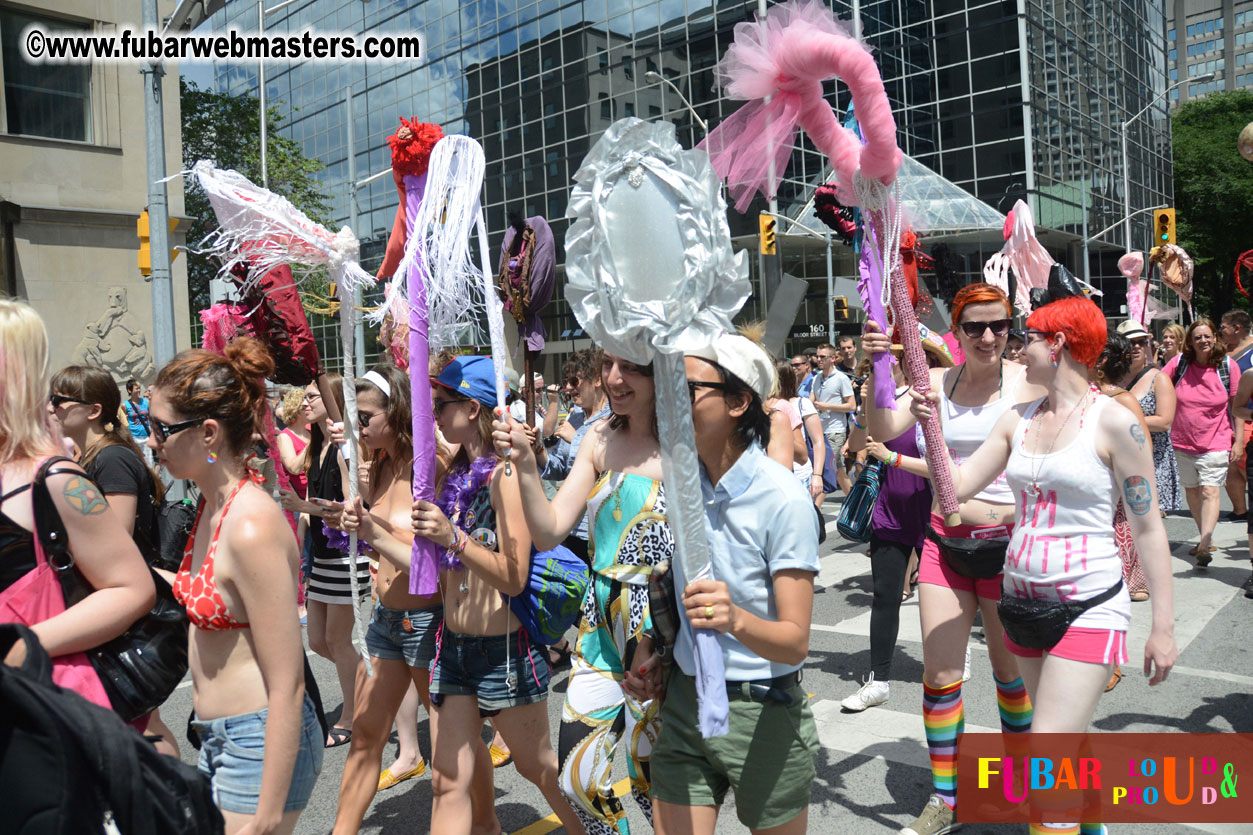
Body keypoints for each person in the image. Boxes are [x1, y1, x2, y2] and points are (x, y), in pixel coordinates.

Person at [917, 296, 1177, 835]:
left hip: (1090, 606)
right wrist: (930, 429)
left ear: (1057, 345)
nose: (1018, 346)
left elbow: (1150, 527)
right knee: (1065, 742)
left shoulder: (1115, 423)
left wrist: (1164, 628)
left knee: (1048, 762)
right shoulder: (1018, 419)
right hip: (1022, 607)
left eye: (1029, 337)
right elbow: (955, 490)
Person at [862, 283, 1037, 835]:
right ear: (956, 332)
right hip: (944, 540)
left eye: (999, 325)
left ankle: (1022, 781)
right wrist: (878, 369)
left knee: (1011, 675)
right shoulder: (934, 382)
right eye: (974, 327)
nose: (988, 336)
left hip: (1010, 546)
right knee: (939, 675)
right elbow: (881, 429)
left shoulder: (1029, 385)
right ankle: (945, 799)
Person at [648, 333, 820, 835]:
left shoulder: (783, 499)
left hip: (762, 711)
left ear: (739, 401)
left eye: (686, 387)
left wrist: (736, 619)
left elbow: (795, 641)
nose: (669, 400)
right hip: (685, 702)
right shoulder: (682, 485)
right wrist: (651, 648)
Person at [149, 337, 320, 833]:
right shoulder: (211, 506)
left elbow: (288, 684)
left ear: (206, 433)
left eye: (161, 428)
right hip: (222, 738)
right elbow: (203, 591)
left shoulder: (250, 525)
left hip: (258, 739)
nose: (151, 439)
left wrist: (267, 814)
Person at [411, 355, 585, 835]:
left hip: (503, 653)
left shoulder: (506, 477)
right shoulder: (452, 477)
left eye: (442, 404)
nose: (435, 414)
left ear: (471, 408)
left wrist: (453, 538)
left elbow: (512, 577)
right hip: (453, 649)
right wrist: (370, 529)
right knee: (447, 783)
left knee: (541, 771)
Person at [497, 349, 668, 835]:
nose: (614, 378)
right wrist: (527, 465)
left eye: (631, 366)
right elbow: (550, 530)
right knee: (578, 779)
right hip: (600, 622)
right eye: (608, 364)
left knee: (651, 780)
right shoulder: (598, 435)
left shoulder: (688, 440)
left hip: (661, 622)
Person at [325, 366, 474, 833]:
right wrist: (348, 523)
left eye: (365, 416)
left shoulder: (434, 469)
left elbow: (437, 560)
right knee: (367, 733)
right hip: (387, 620)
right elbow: (383, 541)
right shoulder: (383, 464)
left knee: (451, 745)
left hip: (429, 622)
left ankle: (484, 820)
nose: (357, 427)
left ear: (398, 412)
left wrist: (371, 530)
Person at [0, 300, 155, 708]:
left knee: (153, 734)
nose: (54, 406)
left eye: (62, 400)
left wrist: (25, 645)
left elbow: (130, 584)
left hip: (36, 706)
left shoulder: (63, 476)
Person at [47, 364, 180, 753]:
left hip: (126, 598)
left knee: (144, 716)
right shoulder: (91, 457)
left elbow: (116, 536)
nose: (51, 407)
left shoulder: (112, 459)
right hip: (114, 594)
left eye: (59, 400)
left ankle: (170, 793)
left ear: (93, 410)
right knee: (136, 714)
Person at [277, 376, 366, 751]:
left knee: (336, 640)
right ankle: (369, 683)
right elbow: (290, 462)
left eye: (312, 396)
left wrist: (303, 507)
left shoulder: (346, 449)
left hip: (347, 556)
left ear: (333, 401)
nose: (304, 402)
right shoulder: (317, 446)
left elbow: (351, 507)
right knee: (317, 640)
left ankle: (352, 715)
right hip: (323, 556)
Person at [1162, 318, 1242, 566]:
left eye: (1207, 336)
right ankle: (1203, 537)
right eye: (1198, 337)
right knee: (1193, 491)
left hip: (1216, 440)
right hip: (1182, 440)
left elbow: (1236, 408)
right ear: (1190, 342)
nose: (1203, 341)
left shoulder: (1228, 366)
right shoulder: (1179, 364)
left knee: (1209, 490)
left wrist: (1238, 441)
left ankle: (1205, 544)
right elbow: (1158, 384)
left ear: (1215, 338)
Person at [1116, 321, 1181, 514]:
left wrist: (1122, 422)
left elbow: (1164, 421)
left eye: (1141, 342)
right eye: (1130, 342)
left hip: (1152, 457)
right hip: (1119, 454)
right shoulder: (1112, 378)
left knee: (1147, 517)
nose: (1136, 346)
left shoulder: (1159, 378)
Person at [770, 358, 826, 504]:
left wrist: (817, 475)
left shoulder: (801, 404)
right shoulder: (763, 405)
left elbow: (818, 442)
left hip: (801, 476)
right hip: (774, 477)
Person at [809, 342, 856, 496]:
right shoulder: (816, 378)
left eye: (823, 356)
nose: (819, 359)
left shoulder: (841, 378)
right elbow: (811, 400)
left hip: (835, 431)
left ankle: (815, 507)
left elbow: (851, 406)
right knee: (838, 470)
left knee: (824, 468)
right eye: (817, 356)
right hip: (819, 431)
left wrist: (826, 406)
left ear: (833, 358)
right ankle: (854, 503)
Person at [1220, 310, 1253, 522]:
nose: (1220, 330)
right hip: (1226, 419)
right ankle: (1240, 510)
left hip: (1249, 419)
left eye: (1223, 326)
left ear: (1237, 328)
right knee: (1230, 465)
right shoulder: (1223, 353)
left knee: (1247, 466)